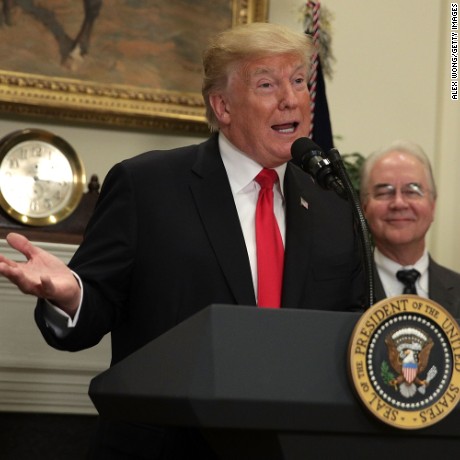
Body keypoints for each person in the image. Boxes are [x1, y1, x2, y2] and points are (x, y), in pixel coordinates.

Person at [0, 22, 364, 459]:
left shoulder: (334, 205)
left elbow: (351, 331)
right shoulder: (147, 186)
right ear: (223, 106)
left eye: (299, 81)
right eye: (267, 83)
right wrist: (71, 295)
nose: (291, 98)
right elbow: (93, 311)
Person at [360, 139, 460, 316]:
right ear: (365, 207)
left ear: (432, 205)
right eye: (384, 192)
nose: (399, 203)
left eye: (412, 191)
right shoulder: (339, 294)